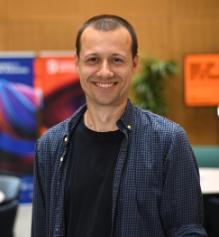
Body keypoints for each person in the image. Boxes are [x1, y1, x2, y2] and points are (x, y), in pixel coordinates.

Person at [31, 14, 207, 237]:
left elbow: (187, 230)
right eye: (93, 59)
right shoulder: (49, 146)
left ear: (134, 64)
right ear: (77, 63)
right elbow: (41, 230)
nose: (105, 71)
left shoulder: (168, 141)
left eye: (116, 60)